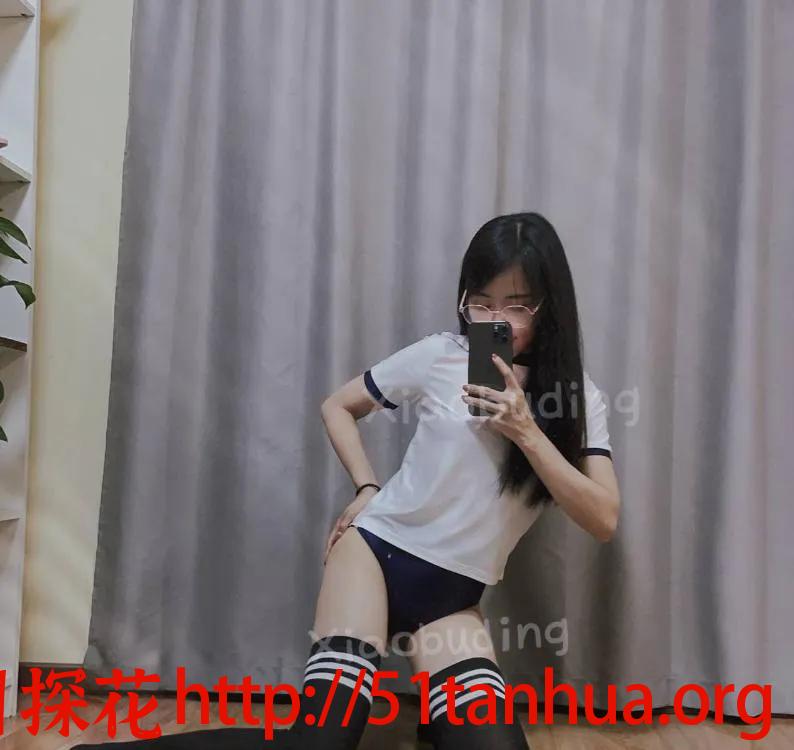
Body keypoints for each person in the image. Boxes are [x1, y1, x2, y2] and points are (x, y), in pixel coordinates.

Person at [283, 212, 621, 749]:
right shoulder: (442, 355)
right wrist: (367, 487)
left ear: (550, 305)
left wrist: (527, 432)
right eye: (481, 303)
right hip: (373, 555)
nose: (496, 320)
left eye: (517, 305)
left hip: (450, 603)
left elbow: (603, 518)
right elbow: (337, 406)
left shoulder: (581, 399)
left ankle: (434, 722)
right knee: (323, 737)